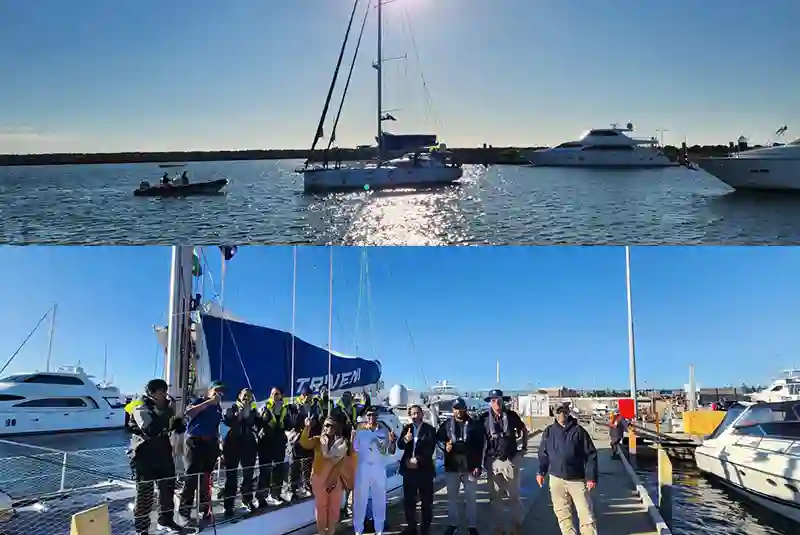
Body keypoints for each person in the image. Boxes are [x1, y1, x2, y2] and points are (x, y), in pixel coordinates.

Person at [125, 378, 186, 535]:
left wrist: (177, 423)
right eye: (162, 392)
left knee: (167, 489)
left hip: (163, 454)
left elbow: (172, 428)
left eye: (166, 392)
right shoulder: (140, 407)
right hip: (144, 456)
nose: (165, 395)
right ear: (151, 393)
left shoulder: (164, 408)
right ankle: (142, 529)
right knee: (145, 494)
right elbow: (150, 429)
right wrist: (167, 411)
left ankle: (166, 520)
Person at [537, 404, 598, 535]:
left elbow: (591, 454)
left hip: (576, 479)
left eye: (564, 412)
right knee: (562, 514)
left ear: (568, 413)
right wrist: (541, 472)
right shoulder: (549, 431)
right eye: (558, 412)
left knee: (586, 514)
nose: (561, 415)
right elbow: (543, 453)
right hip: (556, 479)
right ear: (554, 414)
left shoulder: (579, 431)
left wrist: (591, 477)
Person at [482, 389, 528, 535]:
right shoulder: (483, 419)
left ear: (503, 401)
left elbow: (524, 430)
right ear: (490, 402)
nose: (497, 402)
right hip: (493, 461)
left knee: (514, 496)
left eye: (499, 400)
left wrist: (524, 448)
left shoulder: (511, 416)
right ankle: (499, 528)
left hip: (510, 460)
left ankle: (516, 525)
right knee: (496, 497)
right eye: (494, 400)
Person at [300, 415, 355, 535]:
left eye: (331, 425)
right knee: (321, 508)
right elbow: (304, 443)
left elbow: (352, 457)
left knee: (334, 509)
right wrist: (307, 428)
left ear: (336, 427)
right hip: (319, 479)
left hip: (336, 478)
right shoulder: (317, 440)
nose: (328, 427)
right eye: (326, 425)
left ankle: (330, 532)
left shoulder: (344, 443)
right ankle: (321, 532)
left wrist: (352, 440)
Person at [179, 381, 224, 524]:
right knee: (191, 477)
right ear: (210, 391)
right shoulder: (200, 401)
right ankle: (184, 512)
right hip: (194, 442)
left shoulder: (218, 408)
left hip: (210, 444)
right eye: (216, 390)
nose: (219, 393)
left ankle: (205, 509)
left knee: (206, 478)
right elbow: (189, 412)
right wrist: (209, 402)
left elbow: (216, 426)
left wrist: (218, 444)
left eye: (222, 391)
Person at [437, 398, 484, 535]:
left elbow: (480, 446)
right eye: (456, 408)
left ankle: (472, 526)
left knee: (470, 499)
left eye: (461, 408)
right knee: (452, 498)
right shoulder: (446, 425)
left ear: (465, 409)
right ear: (453, 410)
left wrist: (478, 465)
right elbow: (438, 440)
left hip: (470, 467)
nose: (459, 411)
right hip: (452, 467)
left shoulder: (474, 425)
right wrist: (445, 446)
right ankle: (453, 524)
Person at [352, 406, 397, 535]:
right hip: (363, 468)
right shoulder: (360, 432)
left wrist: (392, 441)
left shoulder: (384, 432)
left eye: (374, 415)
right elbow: (354, 449)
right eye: (369, 415)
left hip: (378, 468)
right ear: (366, 417)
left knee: (380, 499)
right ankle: (358, 530)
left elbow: (391, 451)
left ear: (377, 417)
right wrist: (352, 438)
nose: (372, 417)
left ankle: (379, 529)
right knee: (360, 498)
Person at [398, 404, 437, 535]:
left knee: (426, 502)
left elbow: (430, 448)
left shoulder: (430, 429)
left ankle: (425, 529)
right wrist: (405, 439)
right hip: (409, 471)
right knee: (409, 501)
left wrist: (418, 461)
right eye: (412, 414)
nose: (414, 416)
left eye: (417, 413)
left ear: (422, 414)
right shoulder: (407, 429)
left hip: (424, 471)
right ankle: (411, 527)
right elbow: (400, 445)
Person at [222, 388, 260, 517]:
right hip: (232, 446)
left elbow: (259, 425)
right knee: (231, 477)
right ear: (239, 396)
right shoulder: (231, 409)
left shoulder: (254, 411)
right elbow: (226, 422)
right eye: (244, 395)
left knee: (248, 475)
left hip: (249, 445)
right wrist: (235, 417)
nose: (246, 398)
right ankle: (228, 506)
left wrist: (259, 418)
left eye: (249, 396)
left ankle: (247, 501)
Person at [257, 387, 292, 507]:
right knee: (265, 470)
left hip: (279, 443)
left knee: (278, 469)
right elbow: (259, 423)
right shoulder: (264, 407)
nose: (274, 396)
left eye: (277, 394)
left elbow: (288, 425)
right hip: (266, 443)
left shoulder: (284, 409)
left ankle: (275, 494)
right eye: (272, 393)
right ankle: (261, 497)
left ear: (281, 395)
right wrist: (265, 415)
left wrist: (291, 417)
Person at [292, 385, 321, 498]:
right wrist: (302, 421)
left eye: (309, 396)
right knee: (295, 466)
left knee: (308, 466)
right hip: (298, 441)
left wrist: (315, 423)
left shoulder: (315, 407)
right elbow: (292, 423)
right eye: (305, 396)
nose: (307, 399)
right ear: (301, 396)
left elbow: (319, 423)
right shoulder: (295, 407)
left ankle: (308, 486)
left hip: (310, 441)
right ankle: (293, 490)